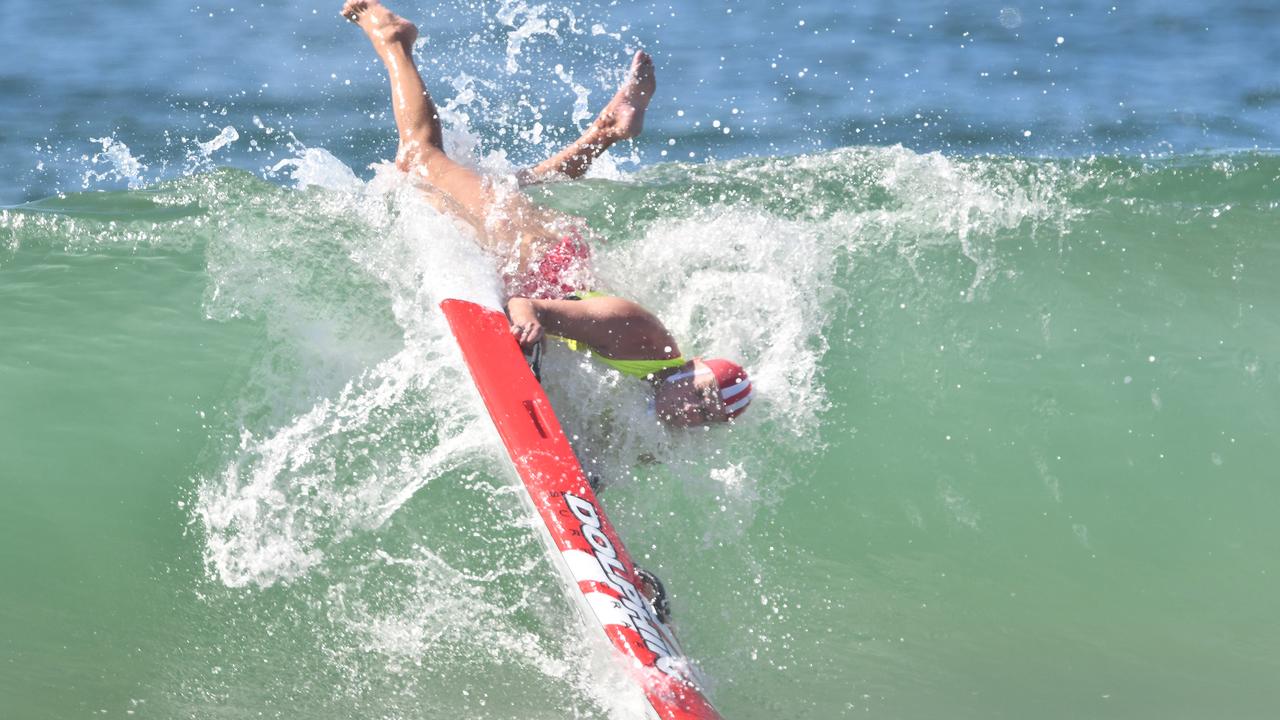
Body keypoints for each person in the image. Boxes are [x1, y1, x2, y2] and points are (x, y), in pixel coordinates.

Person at [342, 0, 752, 426]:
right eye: (702, 398)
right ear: (696, 366)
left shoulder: (653, 392)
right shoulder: (643, 340)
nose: (692, 414)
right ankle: (393, 39)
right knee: (418, 161)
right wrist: (526, 322)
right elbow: (526, 306)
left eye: (707, 417)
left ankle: (606, 132)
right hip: (534, 256)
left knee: (499, 183)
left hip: (551, 266)